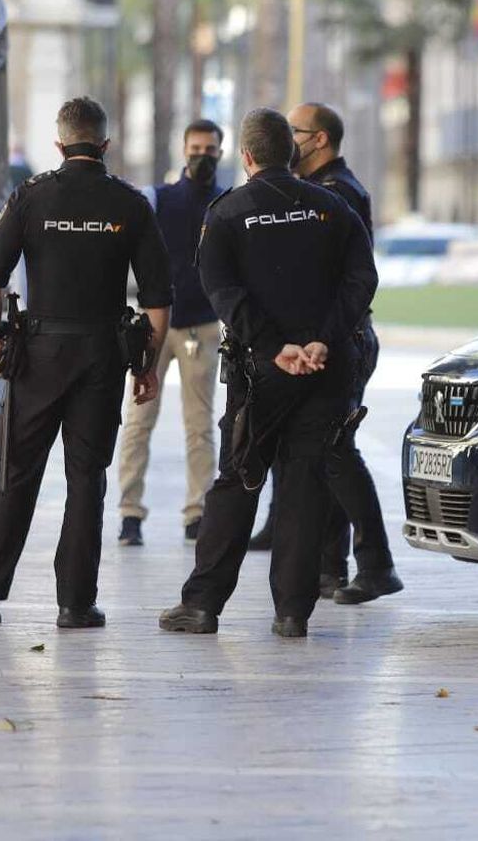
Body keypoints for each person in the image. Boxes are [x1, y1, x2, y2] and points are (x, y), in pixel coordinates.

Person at [0, 97, 171, 629]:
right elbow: (158, 300)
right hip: (101, 359)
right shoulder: (131, 205)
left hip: (38, 356)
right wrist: (146, 365)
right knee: (87, 478)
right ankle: (75, 604)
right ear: (105, 145)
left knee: (14, 473)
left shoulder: (31, 196)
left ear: (60, 144)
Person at [158, 107, 377, 638]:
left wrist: (277, 347)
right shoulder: (330, 207)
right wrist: (322, 339)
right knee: (305, 484)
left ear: (247, 156)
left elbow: (222, 291)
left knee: (238, 481)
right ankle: (292, 613)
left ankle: (203, 605)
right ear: (292, 151)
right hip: (326, 368)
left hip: (261, 373)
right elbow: (361, 279)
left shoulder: (228, 212)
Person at [286, 101, 402, 604]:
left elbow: (340, 279)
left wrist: (323, 339)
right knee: (324, 452)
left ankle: (376, 564)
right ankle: (330, 567)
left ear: (320, 140)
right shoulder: (325, 191)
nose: (288, 139)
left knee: (336, 450)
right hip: (331, 338)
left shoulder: (337, 195)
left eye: (295, 131)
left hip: (340, 339)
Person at [115, 119, 226, 546]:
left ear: (221, 151)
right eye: (195, 148)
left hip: (202, 325)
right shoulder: (158, 200)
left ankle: (197, 512)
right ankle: (130, 514)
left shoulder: (225, 202)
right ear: (184, 150)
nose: (202, 156)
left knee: (199, 426)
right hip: (153, 325)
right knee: (138, 422)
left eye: (210, 149)